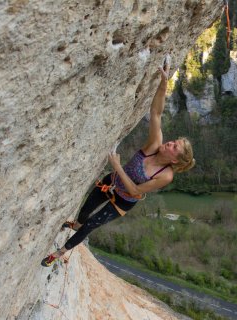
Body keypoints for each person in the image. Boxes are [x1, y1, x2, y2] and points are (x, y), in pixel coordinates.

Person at [42, 56, 195, 267]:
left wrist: (117, 166)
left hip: (123, 201)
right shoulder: (154, 144)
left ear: (175, 159)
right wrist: (164, 82)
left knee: (92, 225)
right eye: (173, 141)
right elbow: (156, 113)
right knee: (85, 212)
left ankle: (58, 253)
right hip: (111, 181)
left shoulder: (165, 176)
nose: (169, 143)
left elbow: (134, 190)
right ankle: (75, 224)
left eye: (174, 147)